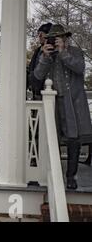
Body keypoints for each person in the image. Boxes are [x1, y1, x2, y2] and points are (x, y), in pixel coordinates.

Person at [34, 24, 92, 190]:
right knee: (52, 138)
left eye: (59, 38)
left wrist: (63, 53)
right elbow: (37, 75)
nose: (56, 41)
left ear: (65, 38)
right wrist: (45, 57)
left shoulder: (74, 52)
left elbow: (80, 68)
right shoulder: (47, 54)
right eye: (53, 38)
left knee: (74, 139)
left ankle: (71, 177)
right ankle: (55, 173)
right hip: (53, 102)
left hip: (73, 103)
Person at [28, 23, 52, 100]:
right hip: (36, 90)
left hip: (48, 90)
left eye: (42, 34)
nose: (39, 36)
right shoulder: (37, 51)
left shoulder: (53, 50)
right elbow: (31, 68)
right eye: (38, 34)